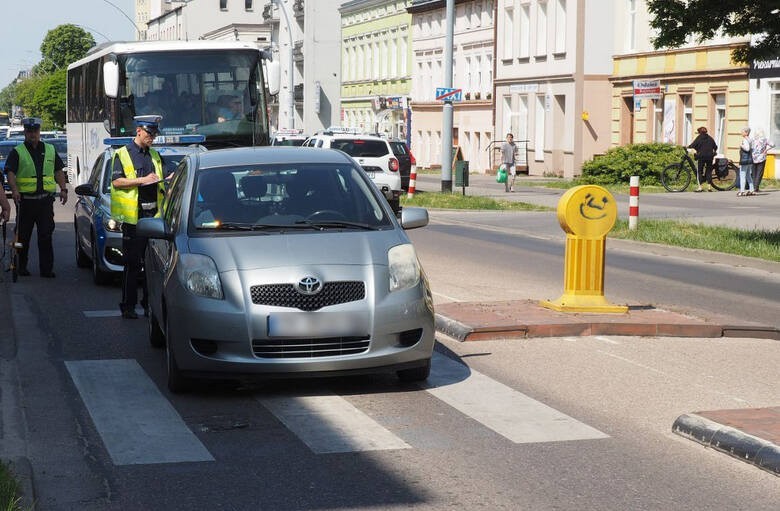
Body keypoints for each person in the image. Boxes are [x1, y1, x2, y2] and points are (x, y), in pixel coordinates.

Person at [111, 115, 166, 319]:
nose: (153, 137)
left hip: (154, 217)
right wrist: (142, 180)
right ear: (139, 131)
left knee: (153, 265)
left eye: (155, 133)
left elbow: (161, 180)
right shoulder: (123, 154)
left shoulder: (155, 155)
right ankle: (128, 306)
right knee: (132, 264)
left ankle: (149, 304)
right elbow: (117, 182)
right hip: (134, 219)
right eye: (150, 133)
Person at [5, 117, 68, 278]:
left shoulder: (50, 149)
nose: (32, 134)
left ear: (39, 132)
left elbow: (58, 171)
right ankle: (20, 266)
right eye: (29, 131)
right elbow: (10, 172)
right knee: (22, 237)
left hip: (45, 202)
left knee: (45, 235)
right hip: (25, 202)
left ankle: (46, 269)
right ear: (25, 132)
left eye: (35, 131)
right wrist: (14, 190)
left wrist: (63, 189)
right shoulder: (17, 151)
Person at [687, 126, 717, 192]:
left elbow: (693, 145)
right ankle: (709, 187)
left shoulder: (699, 138)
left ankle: (700, 187)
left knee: (700, 171)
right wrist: (713, 151)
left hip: (701, 157)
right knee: (709, 171)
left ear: (699, 132)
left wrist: (688, 147)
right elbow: (715, 146)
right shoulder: (710, 138)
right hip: (710, 157)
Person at [751, 128, 775, 193]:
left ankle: (753, 187)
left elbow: (750, 147)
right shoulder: (765, 139)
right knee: (759, 173)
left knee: (754, 173)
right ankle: (756, 188)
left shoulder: (753, 139)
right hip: (762, 158)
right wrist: (766, 150)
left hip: (753, 158)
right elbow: (773, 144)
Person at [737, 126, 755, 197]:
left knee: (742, 175)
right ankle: (752, 190)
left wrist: (741, 146)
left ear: (746, 132)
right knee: (748, 176)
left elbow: (747, 149)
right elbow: (752, 149)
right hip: (750, 160)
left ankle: (742, 191)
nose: (741, 132)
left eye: (743, 131)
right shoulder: (750, 140)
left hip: (745, 160)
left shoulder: (745, 140)